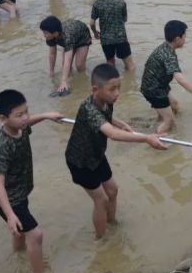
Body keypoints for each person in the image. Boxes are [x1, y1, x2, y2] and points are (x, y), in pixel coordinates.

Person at [66, 64, 166, 239]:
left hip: (96, 155)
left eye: (119, 87)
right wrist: (146, 138)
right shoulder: (89, 109)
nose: (117, 93)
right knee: (101, 199)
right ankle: (101, 240)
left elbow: (107, 117)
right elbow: (112, 134)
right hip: (80, 162)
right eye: (112, 89)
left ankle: (112, 224)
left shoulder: (105, 101)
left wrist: (122, 124)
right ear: (95, 90)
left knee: (112, 190)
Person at [0, 89, 63, 273]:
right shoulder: (1, 145)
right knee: (36, 234)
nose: (25, 118)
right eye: (19, 115)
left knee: (21, 231)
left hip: (19, 190)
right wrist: (9, 214)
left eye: (26, 111)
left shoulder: (19, 128)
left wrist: (46, 116)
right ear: (3, 118)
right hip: (7, 197)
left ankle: (18, 258)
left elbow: (28, 122)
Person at [140, 20, 192, 133]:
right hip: (154, 90)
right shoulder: (169, 55)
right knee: (169, 121)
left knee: (174, 105)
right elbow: (180, 79)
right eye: (184, 36)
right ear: (177, 39)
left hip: (157, 84)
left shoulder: (165, 47)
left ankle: (160, 120)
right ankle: (154, 139)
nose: (185, 39)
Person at [90, 0, 134, 71]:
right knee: (130, 65)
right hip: (120, 38)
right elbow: (125, 19)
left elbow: (92, 23)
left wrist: (95, 33)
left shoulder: (97, 3)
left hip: (106, 40)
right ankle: (130, 80)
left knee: (110, 63)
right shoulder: (121, 2)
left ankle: (111, 79)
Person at [39, 15, 92, 95]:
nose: (44, 35)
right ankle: (69, 81)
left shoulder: (67, 36)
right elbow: (52, 53)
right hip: (70, 38)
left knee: (79, 65)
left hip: (82, 38)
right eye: (43, 32)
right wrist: (51, 71)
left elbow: (68, 59)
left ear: (55, 33)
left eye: (45, 33)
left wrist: (63, 81)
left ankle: (83, 82)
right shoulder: (50, 37)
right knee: (65, 65)